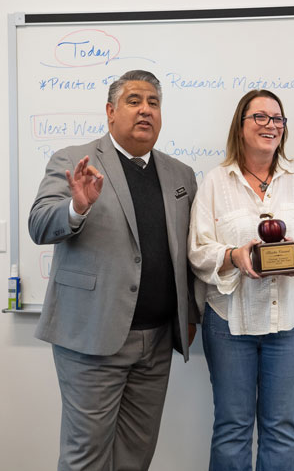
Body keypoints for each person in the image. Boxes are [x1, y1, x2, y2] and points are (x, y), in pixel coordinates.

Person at [29, 70, 199, 471]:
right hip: (91, 336)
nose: (145, 110)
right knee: (85, 456)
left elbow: (186, 251)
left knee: (135, 456)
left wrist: (190, 313)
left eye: (153, 103)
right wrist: (77, 207)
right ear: (110, 111)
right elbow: (39, 225)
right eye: (134, 100)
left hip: (156, 341)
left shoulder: (180, 175)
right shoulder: (74, 160)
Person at [188, 89, 294, 471]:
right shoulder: (215, 182)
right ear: (240, 126)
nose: (270, 125)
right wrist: (234, 256)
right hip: (229, 322)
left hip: (288, 320)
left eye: (277, 119)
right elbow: (197, 250)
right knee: (232, 428)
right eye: (260, 117)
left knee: (281, 428)